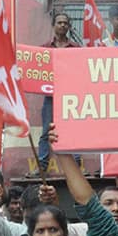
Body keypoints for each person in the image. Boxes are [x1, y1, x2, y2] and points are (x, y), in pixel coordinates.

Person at [36, 12, 81, 174]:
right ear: (54, 25)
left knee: (73, 129)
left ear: (68, 27)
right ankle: (42, 167)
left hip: (70, 95)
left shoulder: (76, 48)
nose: (62, 25)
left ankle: (76, 165)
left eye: (65, 23)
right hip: (50, 96)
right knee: (45, 132)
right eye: (59, 22)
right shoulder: (44, 48)